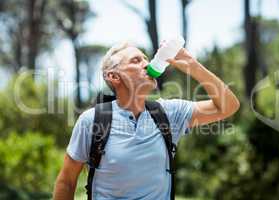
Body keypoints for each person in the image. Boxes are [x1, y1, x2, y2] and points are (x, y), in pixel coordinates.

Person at [53, 42, 240, 200]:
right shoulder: (92, 121)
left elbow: (229, 106)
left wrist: (193, 66)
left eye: (145, 59)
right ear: (113, 76)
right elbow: (67, 181)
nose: (146, 63)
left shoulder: (169, 113)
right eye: (136, 60)